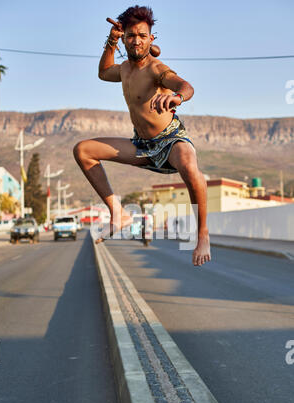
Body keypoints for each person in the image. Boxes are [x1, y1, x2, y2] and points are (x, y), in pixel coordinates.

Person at [73, 5, 211, 266]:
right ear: (124, 38)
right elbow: (103, 73)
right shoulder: (124, 68)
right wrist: (110, 42)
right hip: (142, 145)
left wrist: (176, 97)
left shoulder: (157, 69)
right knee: (83, 150)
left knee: (191, 167)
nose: (136, 40)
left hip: (170, 141)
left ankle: (202, 233)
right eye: (131, 36)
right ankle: (118, 214)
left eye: (142, 35)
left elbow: (186, 86)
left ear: (151, 39)